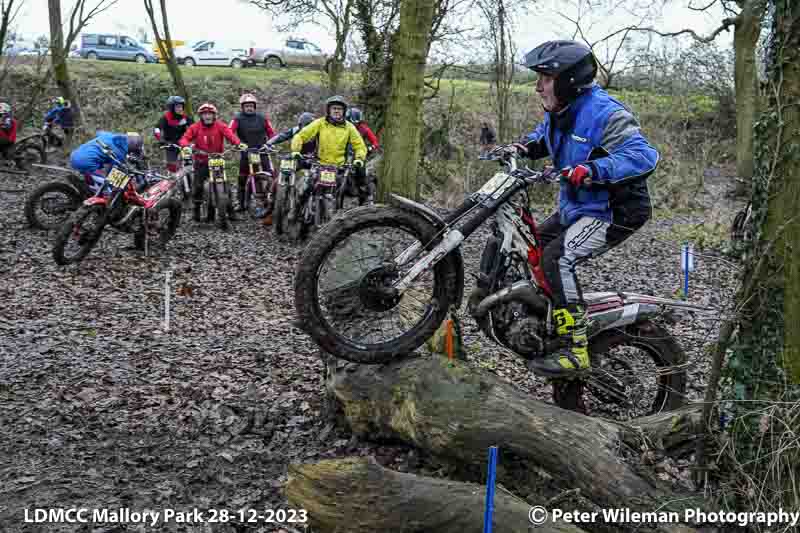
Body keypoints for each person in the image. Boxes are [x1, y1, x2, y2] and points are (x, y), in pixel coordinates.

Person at [514, 40, 659, 379]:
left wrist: (595, 170)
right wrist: (523, 146)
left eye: (545, 78)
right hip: (580, 205)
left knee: (557, 258)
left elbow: (643, 156)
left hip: (614, 210)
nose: (538, 87)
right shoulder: (561, 111)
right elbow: (546, 135)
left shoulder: (606, 113)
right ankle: (551, 316)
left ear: (568, 80)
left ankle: (575, 347)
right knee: (532, 244)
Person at [291, 96, 367, 204]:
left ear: (344, 111)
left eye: (339, 109)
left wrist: (359, 158)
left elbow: (359, 145)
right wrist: (296, 150)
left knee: (342, 194)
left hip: (339, 167)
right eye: (334, 108)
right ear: (328, 110)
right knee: (305, 191)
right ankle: (294, 212)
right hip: (319, 164)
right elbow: (301, 136)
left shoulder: (350, 127)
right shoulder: (320, 123)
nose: (336, 111)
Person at [179, 102, 245, 224]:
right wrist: (186, 146)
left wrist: (238, 143)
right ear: (201, 116)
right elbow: (184, 138)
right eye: (205, 114)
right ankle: (196, 210)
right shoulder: (195, 127)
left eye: (210, 114)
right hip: (201, 160)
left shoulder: (221, 126)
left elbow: (230, 135)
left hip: (217, 160)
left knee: (226, 186)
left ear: (214, 115)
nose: (207, 116)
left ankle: (231, 212)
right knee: (198, 186)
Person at [228, 93, 275, 215]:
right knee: (243, 176)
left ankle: (274, 200)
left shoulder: (262, 118)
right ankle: (241, 202)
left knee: (270, 174)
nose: (249, 108)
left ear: (255, 106)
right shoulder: (237, 119)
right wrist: (236, 144)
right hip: (246, 151)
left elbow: (271, 132)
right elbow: (229, 133)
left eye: (251, 106)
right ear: (242, 107)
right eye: (246, 106)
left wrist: (271, 143)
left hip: (262, 150)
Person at [70, 131, 146, 195]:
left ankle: (90, 185)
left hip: (75, 155)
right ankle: (101, 196)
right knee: (113, 185)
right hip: (85, 162)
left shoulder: (109, 135)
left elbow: (99, 132)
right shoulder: (119, 152)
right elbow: (113, 172)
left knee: (94, 172)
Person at [154, 95, 193, 173]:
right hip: (170, 144)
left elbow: (194, 127)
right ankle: (173, 180)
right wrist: (160, 139)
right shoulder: (166, 118)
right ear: (172, 108)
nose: (180, 109)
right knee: (172, 166)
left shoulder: (184, 117)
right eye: (178, 107)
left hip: (183, 143)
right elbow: (157, 129)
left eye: (181, 106)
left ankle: (192, 179)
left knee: (189, 162)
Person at [0, 102, 24, 169]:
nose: (1, 115)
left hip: (8, 138)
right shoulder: (5, 118)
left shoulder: (8, 118)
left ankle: (8, 161)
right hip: (5, 138)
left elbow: (7, 127)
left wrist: (1, 125)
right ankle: (5, 160)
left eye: (1, 113)